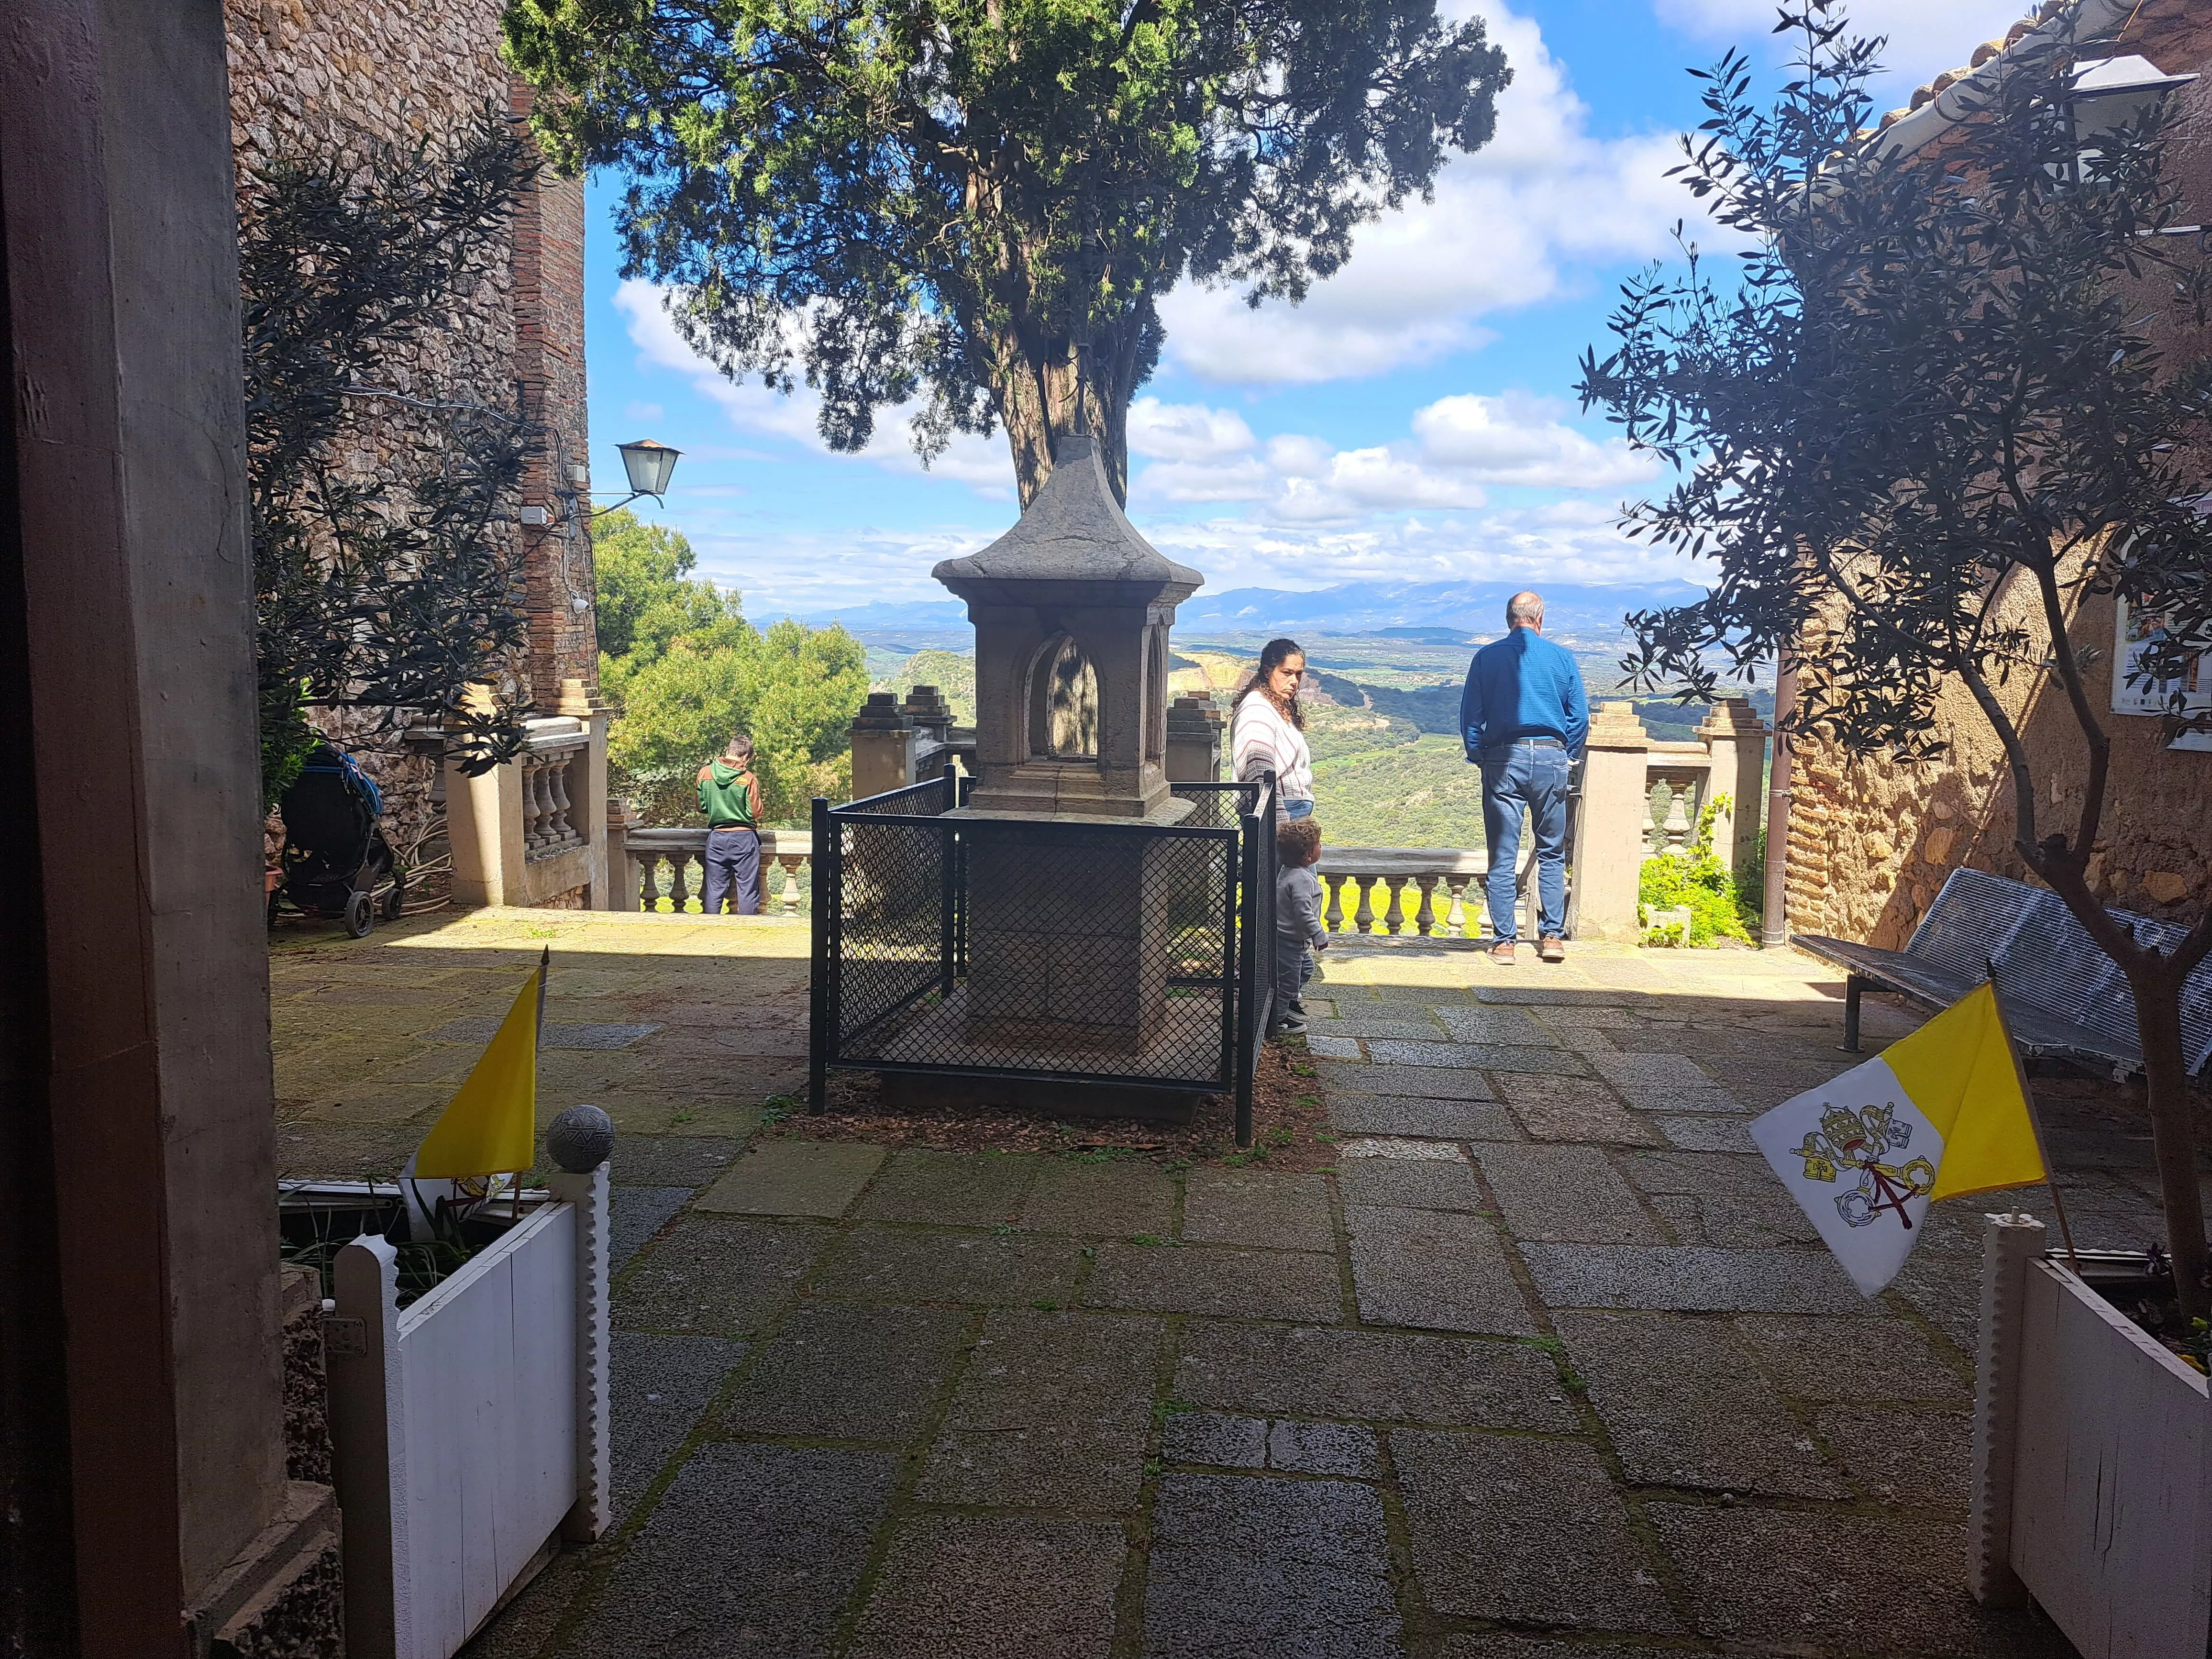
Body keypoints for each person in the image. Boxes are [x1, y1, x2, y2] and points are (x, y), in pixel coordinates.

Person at [1460, 591, 1588, 965]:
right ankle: (1552, 938)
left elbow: (1471, 717)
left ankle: (1504, 943)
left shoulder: (1486, 657)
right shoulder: (1563, 657)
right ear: (1540, 619)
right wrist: (1568, 756)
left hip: (1503, 759)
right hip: (1551, 757)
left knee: (1502, 855)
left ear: (1508, 619)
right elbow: (1579, 717)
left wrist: (1480, 756)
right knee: (1551, 851)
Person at [1230, 637, 1315, 818]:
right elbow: (1260, 772)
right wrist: (1280, 825)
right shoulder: (1257, 711)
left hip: (1291, 807)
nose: (1294, 681)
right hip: (1282, 810)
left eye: (1299, 674)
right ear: (1268, 671)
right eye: (1287, 673)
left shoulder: (1276, 705)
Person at [696, 733, 764, 916]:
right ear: (745, 757)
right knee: (747, 889)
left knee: (714, 888)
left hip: (717, 838)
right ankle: (747, 929)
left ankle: (710, 929)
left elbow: (701, 806)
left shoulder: (705, 773)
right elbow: (756, 812)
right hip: (744, 838)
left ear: (728, 751)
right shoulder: (748, 778)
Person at [1273, 817, 1327, 1034]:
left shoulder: (1288, 870)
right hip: (1289, 941)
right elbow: (1303, 912)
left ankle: (1286, 1002)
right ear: (1308, 855)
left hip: (1291, 940)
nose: (1321, 848)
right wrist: (1318, 934)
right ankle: (1276, 1021)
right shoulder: (1302, 880)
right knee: (1289, 982)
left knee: (1306, 970)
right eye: (1319, 845)